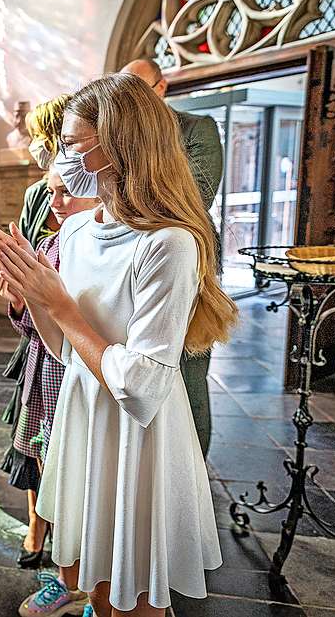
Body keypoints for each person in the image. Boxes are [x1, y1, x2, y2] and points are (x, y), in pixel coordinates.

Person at [0, 73, 237, 617]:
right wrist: (33, 298)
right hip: (83, 412)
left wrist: (63, 307)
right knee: (95, 578)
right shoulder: (75, 232)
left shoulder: (169, 244)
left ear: (117, 143)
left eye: (70, 144)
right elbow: (63, 349)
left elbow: (141, 387)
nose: (59, 158)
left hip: (136, 434)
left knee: (133, 591)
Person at [121, 58, 224, 457]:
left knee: (186, 362)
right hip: (133, 257)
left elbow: (196, 196)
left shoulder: (196, 129)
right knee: (140, 363)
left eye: (138, 87)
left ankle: (193, 462)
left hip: (187, 257)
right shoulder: (122, 134)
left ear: (160, 88)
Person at [4, 167, 100, 576]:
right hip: (44, 377)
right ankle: (60, 561)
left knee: (80, 483)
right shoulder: (49, 244)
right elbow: (30, 330)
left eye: (66, 192)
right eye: (51, 192)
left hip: (82, 380)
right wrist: (21, 299)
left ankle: (78, 575)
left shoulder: (100, 251)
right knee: (46, 465)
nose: (55, 203)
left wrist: (47, 303)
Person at [0, 95, 75, 565]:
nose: (55, 202)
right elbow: (30, 261)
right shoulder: (47, 216)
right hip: (41, 355)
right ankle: (42, 533)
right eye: (52, 194)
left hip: (75, 362)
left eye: (40, 138)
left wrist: (32, 291)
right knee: (39, 448)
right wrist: (17, 289)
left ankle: (72, 557)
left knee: (72, 468)